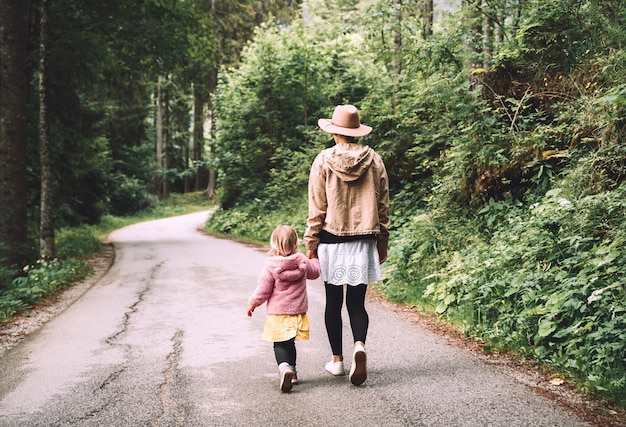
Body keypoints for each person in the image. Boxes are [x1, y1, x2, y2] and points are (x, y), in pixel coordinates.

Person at [304, 104, 390, 386]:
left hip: (331, 238)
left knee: (332, 302)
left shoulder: (323, 160)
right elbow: (383, 203)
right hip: (364, 239)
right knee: (357, 302)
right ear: (356, 132)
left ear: (334, 133)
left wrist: (311, 241)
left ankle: (338, 362)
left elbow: (317, 206)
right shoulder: (374, 159)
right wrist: (382, 239)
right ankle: (360, 346)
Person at [247, 225, 321, 392]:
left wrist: (253, 303)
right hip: (297, 311)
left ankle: (284, 368)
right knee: (290, 343)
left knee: (279, 344)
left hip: (277, 312)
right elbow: (315, 273)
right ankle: (293, 372)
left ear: (274, 244)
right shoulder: (302, 260)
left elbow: (263, 289)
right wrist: (314, 258)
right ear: (296, 243)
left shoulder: (271, 265)